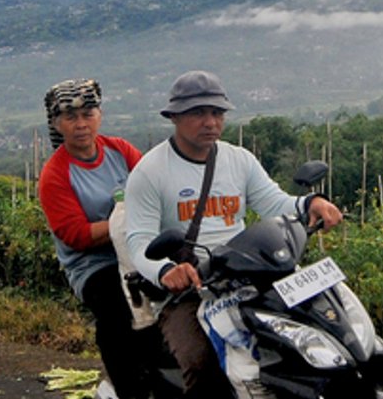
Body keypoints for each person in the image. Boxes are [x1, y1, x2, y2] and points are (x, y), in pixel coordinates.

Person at [122, 70, 344, 399]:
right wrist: (167, 271)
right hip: (190, 292)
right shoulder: (150, 171)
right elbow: (138, 240)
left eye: (217, 113)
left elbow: (274, 203)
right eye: (198, 113)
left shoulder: (239, 160)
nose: (210, 122)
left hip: (249, 277)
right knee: (201, 362)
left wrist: (310, 203)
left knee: (319, 336)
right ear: (175, 118)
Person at [37, 78, 153, 399]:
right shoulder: (55, 175)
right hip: (93, 264)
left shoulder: (120, 151)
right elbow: (77, 236)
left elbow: (153, 189)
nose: (81, 124)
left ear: (100, 115)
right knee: (118, 309)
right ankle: (126, 388)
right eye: (70, 117)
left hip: (138, 251)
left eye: (88, 114)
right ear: (57, 124)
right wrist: (123, 221)